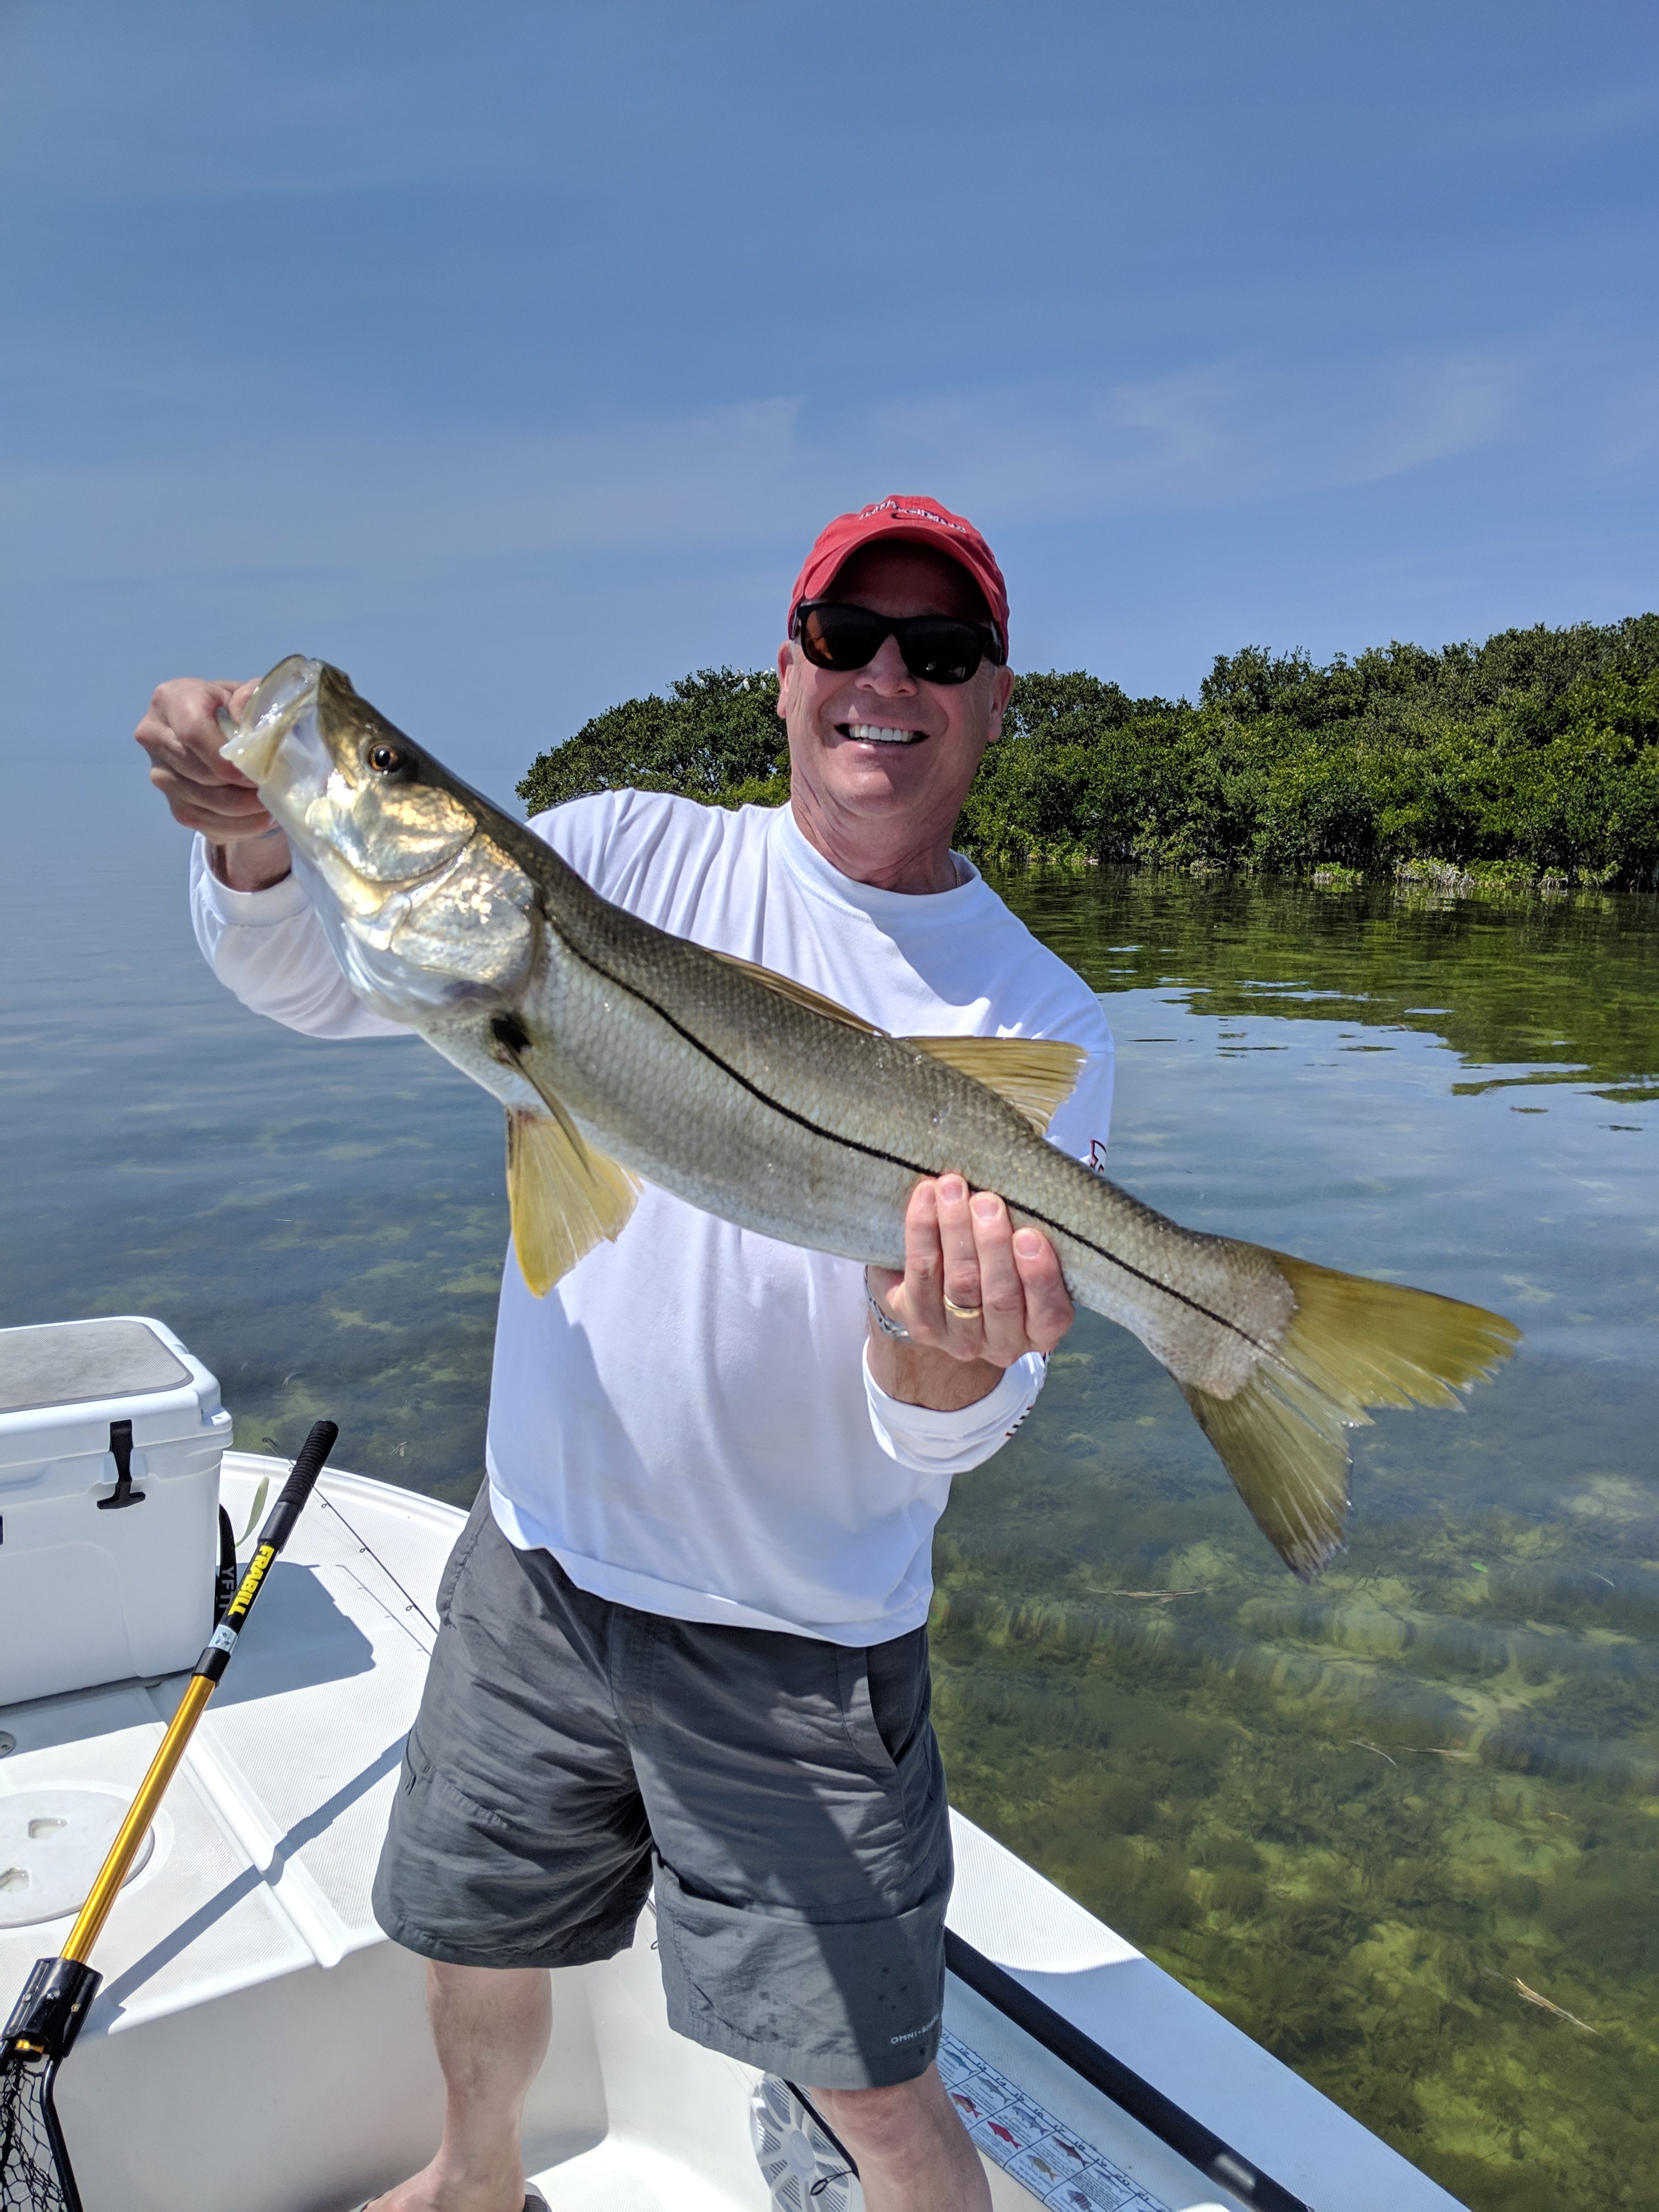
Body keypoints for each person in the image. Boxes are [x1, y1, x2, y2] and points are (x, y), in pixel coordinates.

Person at [137, 493, 1115, 2212]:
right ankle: (476, 2179)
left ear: (994, 699)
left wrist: (947, 1363)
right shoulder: (626, 853)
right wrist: (261, 839)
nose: (887, 675)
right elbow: (311, 980)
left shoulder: (1032, 1023)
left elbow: (947, 1436)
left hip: (799, 1639)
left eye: (940, 650)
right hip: (537, 1567)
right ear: (785, 669)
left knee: (877, 2093)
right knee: (469, 1943)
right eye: (846, 636)